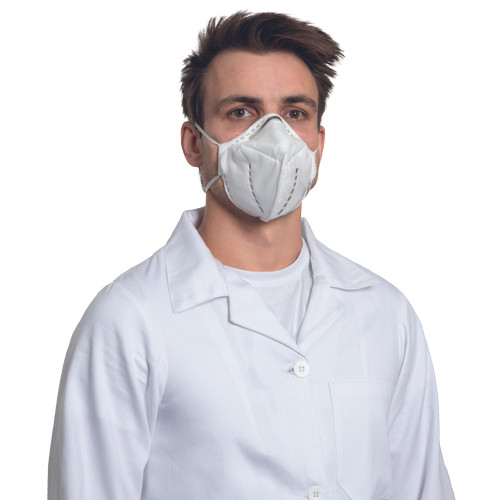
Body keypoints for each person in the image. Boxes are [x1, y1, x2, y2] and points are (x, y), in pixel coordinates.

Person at [48, 11, 455, 500]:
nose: (274, 137)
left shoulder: (385, 314)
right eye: (241, 112)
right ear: (194, 143)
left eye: (295, 113)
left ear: (318, 144)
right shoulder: (130, 320)